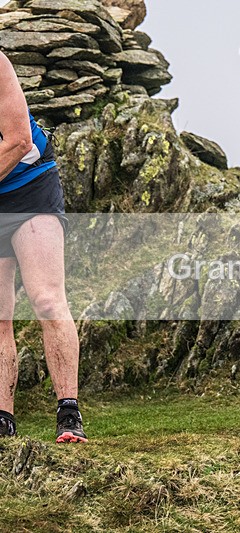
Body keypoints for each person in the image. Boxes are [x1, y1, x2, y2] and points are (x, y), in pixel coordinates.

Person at [0, 51, 87, 443]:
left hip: (29, 185)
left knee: (47, 299)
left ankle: (69, 412)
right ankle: (3, 419)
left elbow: (17, 141)